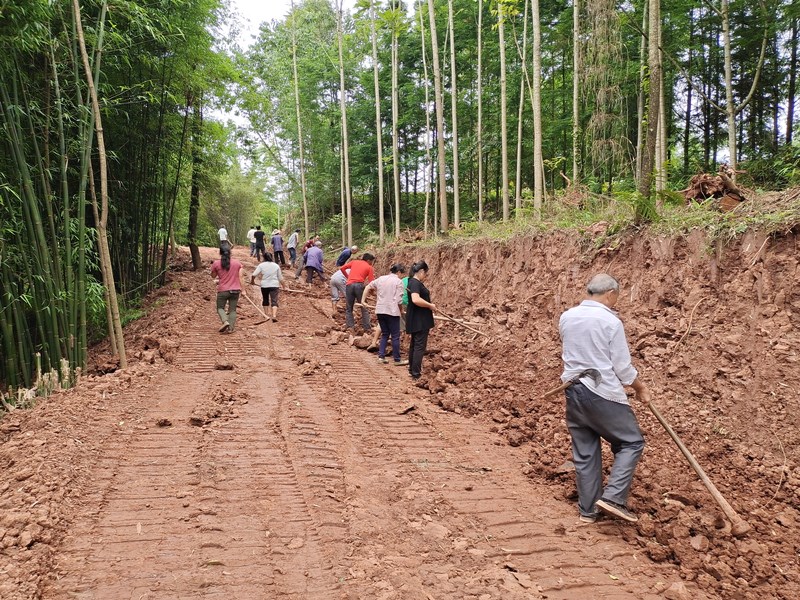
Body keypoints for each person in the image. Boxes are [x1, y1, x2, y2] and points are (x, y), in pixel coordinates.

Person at [558, 273, 650, 525]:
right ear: (610, 294)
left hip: (573, 390)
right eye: (616, 297)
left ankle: (588, 511)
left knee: (586, 452)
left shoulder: (567, 316)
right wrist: (640, 388)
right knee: (631, 442)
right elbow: (622, 367)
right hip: (601, 392)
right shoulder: (610, 321)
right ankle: (613, 498)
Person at [362, 263, 408, 365]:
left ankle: (381, 357)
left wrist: (363, 300)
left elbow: (368, 287)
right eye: (402, 274)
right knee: (395, 336)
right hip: (392, 312)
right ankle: (397, 360)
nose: (402, 276)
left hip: (380, 310)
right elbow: (399, 300)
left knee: (385, 334)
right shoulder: (398, 282)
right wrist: (401, 311)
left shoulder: (381, 279)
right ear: (399, 272)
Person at [405, 261, 436, 380]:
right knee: (419, 346)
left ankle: (412, 370)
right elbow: (416, 299)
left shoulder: (411, 282)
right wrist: (430, 305)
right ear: (421, 271)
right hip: (420, 319)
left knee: (414, 344)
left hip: (416, 318)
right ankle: (416, 373)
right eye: (426, 274)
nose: (425, 276)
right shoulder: (415, 283)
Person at [210, 246, 243, 333]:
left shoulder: (216, 263)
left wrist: (213, 269)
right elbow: (241, 277)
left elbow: (213, 276)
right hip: (235, 290)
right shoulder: (237, 263)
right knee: (232, 310)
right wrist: (243, 289)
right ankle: (231, 328)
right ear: (230, 252)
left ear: (220, 253)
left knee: (220, 308)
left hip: (223, 290)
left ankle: (225, 321)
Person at [342, 253, 376, 332]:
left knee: (349, 307)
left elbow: (342, 268)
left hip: (349, 285)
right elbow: (371, 282)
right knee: (364, 306)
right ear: (368, 260)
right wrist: (372, 292)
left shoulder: (354, 262)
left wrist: (348, 277)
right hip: (359, 286)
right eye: (372, 261)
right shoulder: (369, 267)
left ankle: (350, 327)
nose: (372, 263)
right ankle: (367, 328)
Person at [250, 252, 285, 323]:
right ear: (271, 257)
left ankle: (266, 315)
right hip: (274, 285)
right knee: (274, 300)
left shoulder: (261, 265)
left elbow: (253, 275)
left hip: (264, 285)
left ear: (264, 258)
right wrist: (284, 286)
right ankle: (274, 315)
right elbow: (280, 278)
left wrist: (252, 281)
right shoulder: (276, 265)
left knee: (265, 299)